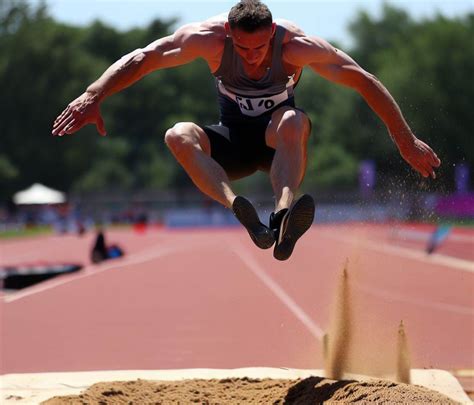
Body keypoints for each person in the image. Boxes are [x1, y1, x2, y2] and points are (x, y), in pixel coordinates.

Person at [52, 0, 440, 261]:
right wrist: (93, 95)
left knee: (293, 120)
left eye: (258, 49)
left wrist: (405, 140)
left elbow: (363, 80)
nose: (251, 59)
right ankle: (242, 210)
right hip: (233, 142)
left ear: (272, 33)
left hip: (278, 145)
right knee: (176, 134)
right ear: (228, 35)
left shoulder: (297, 46)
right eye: (242, 49)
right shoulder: (208, 39)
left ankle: (283, 213)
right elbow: (144, 58)